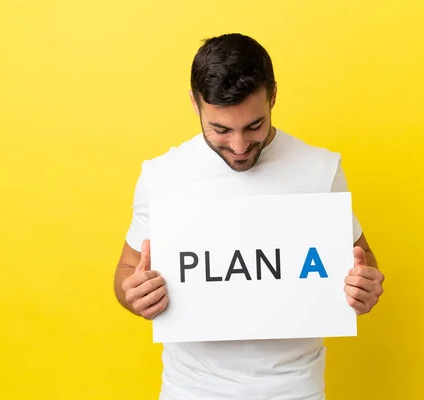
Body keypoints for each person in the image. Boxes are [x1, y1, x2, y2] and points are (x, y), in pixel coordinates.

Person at [113, 33, 385, 400]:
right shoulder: (162, 175)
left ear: (273, 96)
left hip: (295, 389)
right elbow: (127, 271)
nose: (239, 147)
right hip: (190, 390)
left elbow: (362, 262)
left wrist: (364, 289)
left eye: (254, 126)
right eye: (221, 129)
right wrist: (134, 294)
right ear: (195, 104)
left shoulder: (321, 169)